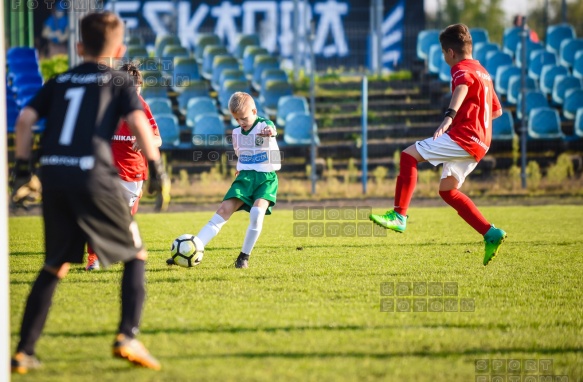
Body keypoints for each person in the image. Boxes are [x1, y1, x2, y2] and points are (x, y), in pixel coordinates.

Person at [9, 12, 167, 373]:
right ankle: (127, 336)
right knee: (136, 254)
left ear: (78, 47)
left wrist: (21, 170)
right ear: (119, 49)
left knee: (55, 264)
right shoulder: (119, 81)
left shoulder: (59, 80)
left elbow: (24, 121)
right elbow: (141, 124)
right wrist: (157, 171)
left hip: (54, 176)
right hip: (93, 175)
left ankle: (23, 351)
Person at [369, 23, 507, 266]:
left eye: (444, 54)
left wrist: (449, 118)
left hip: (466, 136)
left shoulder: (461, 69)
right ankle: (490, 233)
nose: (445, 58)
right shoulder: (483, 72)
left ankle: (399, 215)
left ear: (450, 52)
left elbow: (462, 87)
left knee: (408, 156)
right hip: (481, 141)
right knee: (447, 191)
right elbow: (496, 111)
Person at [167, 92, 281, 268]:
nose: (241, 122)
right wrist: (239, 168)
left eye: (243, 118)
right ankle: (191, 250)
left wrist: (270, 132)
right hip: (245, 177)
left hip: (266, 178)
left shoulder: (264, 125)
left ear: (254, 110)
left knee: (257, 213)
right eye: (237, 119)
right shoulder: (237, 133)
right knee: (223, 210)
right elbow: (242, 153)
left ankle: (244, 257)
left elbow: (272, 129)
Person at [86, 62, 163, 271]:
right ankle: (93, 258)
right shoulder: (104, 104)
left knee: (124, 219)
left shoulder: (141, 105)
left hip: (134, 172)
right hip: (107, 168)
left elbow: (158, 140)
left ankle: (120, 251)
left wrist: (145, 140)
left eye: (136, 86)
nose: (133, 91)